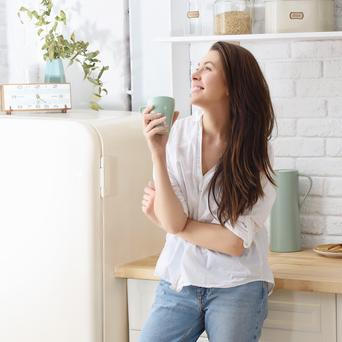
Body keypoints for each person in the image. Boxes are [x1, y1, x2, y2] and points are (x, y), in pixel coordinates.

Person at [140, 41, 277, 342]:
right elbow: (175, 222)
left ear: (231, 86)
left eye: (208, 68)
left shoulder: (257, 153)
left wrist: (171, 223)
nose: (195, 74)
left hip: (237, 284)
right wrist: (157, 153)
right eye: (196, 67)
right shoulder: (177, 136)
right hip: (180, 280)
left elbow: (233, 243)